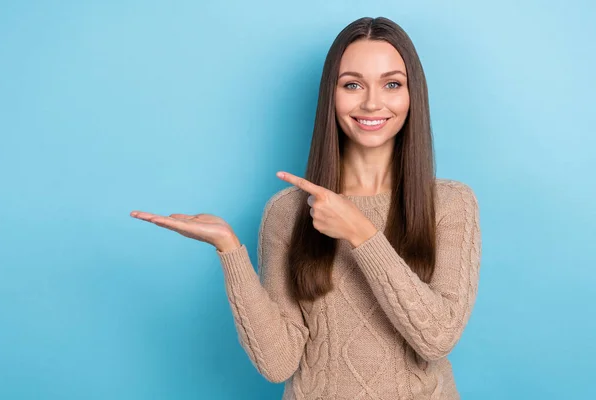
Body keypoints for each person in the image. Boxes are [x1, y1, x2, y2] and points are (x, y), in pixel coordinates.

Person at [130, 16, 481, 400]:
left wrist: (360, 233)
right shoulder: (288, 211)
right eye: (352, 85)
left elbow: (438, 339)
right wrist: (229, 249)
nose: (372, 102)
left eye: (392, 84)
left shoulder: (450, 204)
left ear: (413, 95)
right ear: (331, 95)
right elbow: (278, 362)